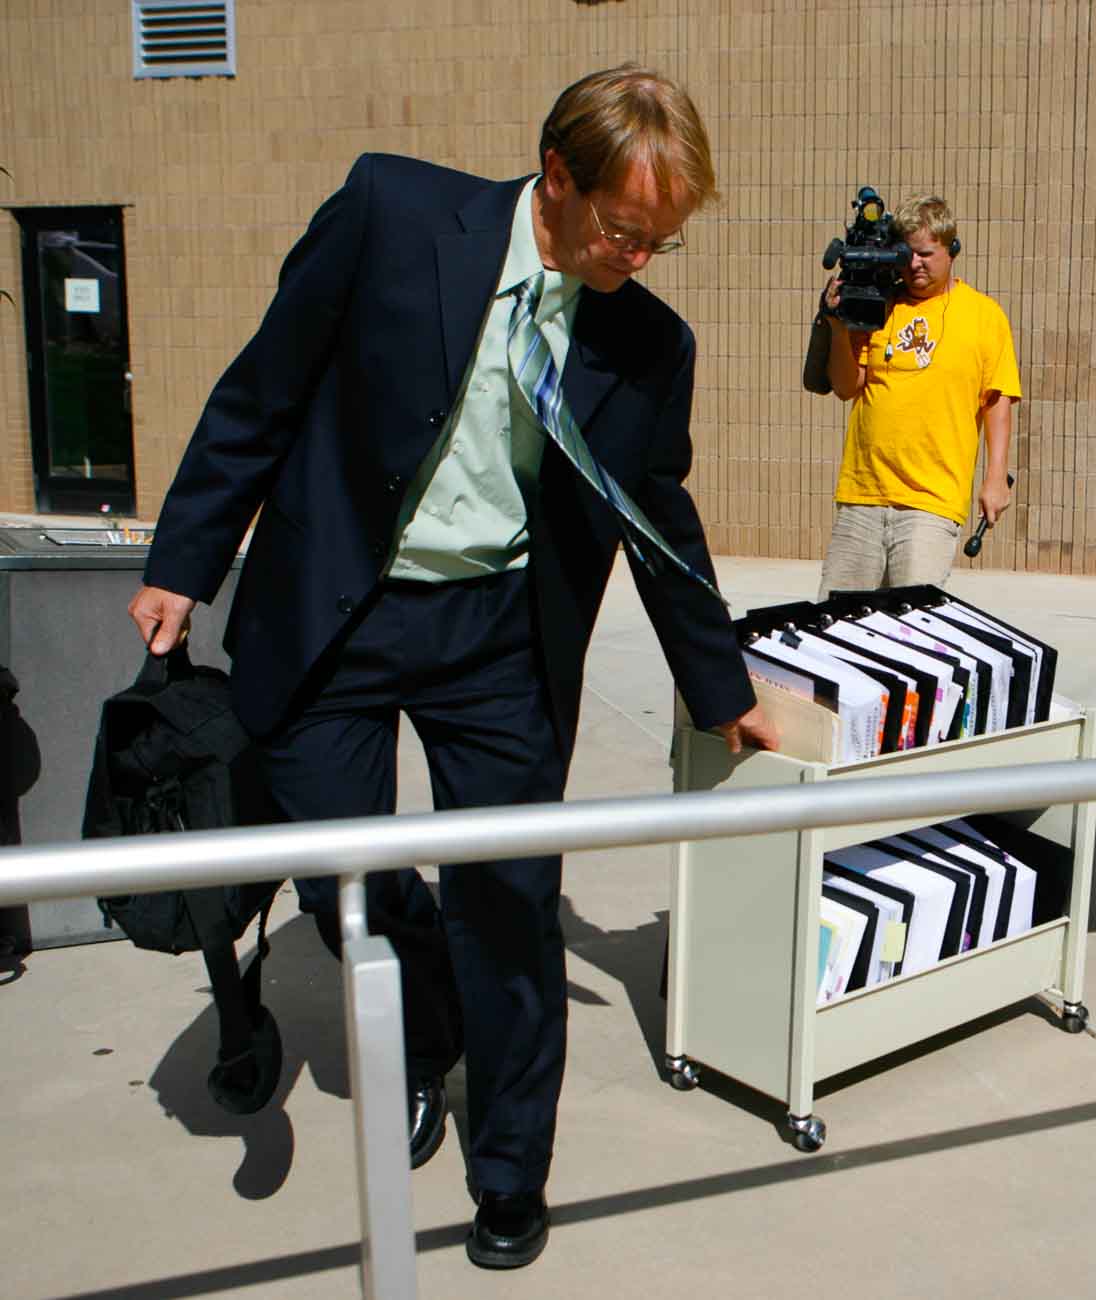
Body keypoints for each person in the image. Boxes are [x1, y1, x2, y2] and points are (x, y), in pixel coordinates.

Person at [127, 66, 776, 1268]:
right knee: (338, 877)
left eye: (662, 241)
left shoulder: (649, 341)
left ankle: (511, 1168)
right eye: (624, 230)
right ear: (556, 178)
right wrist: (186, 557)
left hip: (500, 638)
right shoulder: (391, 214)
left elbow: (658, 511)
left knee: (512, 901)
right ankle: (424, 1019)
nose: (639, 257)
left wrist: (722, 683)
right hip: (341, 610)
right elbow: (262, 390)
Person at [817, 195, 1020, 600]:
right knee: (836, 628)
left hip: (931, 503)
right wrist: (840, 327)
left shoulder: (984, 316)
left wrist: (996, 477)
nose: (914, 265)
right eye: (906, 255)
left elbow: (996, 399)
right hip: (863, 496)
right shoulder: (878, 305)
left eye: (926, 254)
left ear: (952, 249)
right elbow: (845, 387)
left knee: (910, 628)